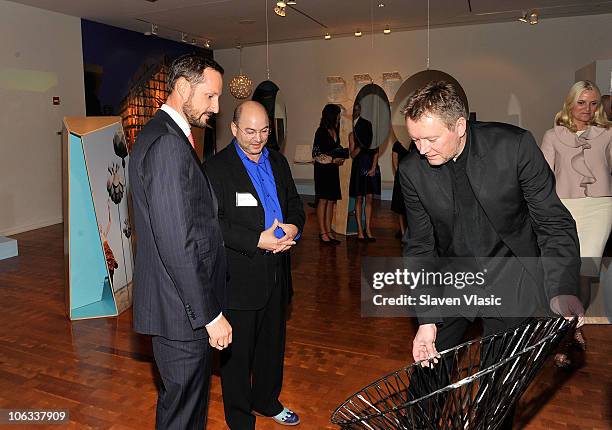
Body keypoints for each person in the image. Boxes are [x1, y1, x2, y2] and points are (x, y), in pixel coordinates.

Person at [399, 81, 584, 430]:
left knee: (498, 391)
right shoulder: (412, 171)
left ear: (460, 126)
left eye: (431, 139)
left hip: (511, 279)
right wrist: (425, 319)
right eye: (415, 139)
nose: (421, 150)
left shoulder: (514, 147)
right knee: (426, 379)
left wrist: (562, 288)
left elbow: (554, 224)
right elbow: (420, 246)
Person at [129, 54, 232, 430]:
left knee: (186, 410)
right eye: (211, 97)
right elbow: (177, 243)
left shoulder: (163, 135)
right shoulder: (168, 145)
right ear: (184, 88)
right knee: (182, 415)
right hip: (182, 313)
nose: (216, 107)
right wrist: (209, 314)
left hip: (178, 308)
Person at [205, 101, 305, 429]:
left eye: (264, 130)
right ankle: (239, 418)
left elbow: (294, 205)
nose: (258, 138)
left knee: (272, 347)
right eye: (249, 131)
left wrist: (293, 227)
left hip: (277, 272)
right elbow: (213, 223)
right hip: (241, 277)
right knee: (238, 355)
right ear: (233, 129)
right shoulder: (217, 169)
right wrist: (256, 240)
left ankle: (267, 400)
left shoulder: (277, 161)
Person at [540, 80, 612, 364]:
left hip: (600, 207)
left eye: (593, 103)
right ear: (570, 102)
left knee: (585, 269)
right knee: (564, 268)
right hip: (564, 208)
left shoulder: (607, 134)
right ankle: (563, 330)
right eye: (581, 102)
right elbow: (542, 176)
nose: (587, 109)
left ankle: (572, 330)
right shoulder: (552, 135)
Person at [313, 104, 345, 244]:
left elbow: (335, 148)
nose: (339, 117)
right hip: (322, 170)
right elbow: (315, 154)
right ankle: (323, 233)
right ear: (332, 115)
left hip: (332, 170)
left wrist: (341, 155)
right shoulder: (320, 131)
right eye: (338, 114)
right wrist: (333, 159)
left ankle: (329, 231)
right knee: (323, 200)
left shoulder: (335, 130)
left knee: (331, 201)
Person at [349, 102, 381, 241]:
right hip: (358, 167)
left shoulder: (368, 127)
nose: (356, 111)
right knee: (359, 198)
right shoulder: (351, 133)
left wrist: (374, 167)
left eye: (358, 109)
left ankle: (368, 229)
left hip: (370, 165)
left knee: (369, 198)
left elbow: (375, 150)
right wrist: (361, 145)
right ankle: (360, 232)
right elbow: (352, 154)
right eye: (354, 109)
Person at [390, 140, 411, 238]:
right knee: (400, 207)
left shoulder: (414, 142)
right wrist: (401, 177)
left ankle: (408, 232)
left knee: (410, 207)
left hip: (412, 179)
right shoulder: (397, 144)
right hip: (401, 179)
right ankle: (403, 233)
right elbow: (395, 164)